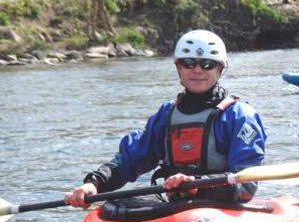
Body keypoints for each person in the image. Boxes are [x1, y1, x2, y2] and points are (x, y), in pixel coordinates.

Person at [65, 30, 267, 209]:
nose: (197, 70)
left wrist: (196, 185)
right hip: (178, 209)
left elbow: (247, 183)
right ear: (178, 68)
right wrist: (94, 183)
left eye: (207, 64)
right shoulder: (167, 115)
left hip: (222, 209)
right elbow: (131, 160)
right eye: (189, 63)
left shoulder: (239, 116)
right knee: (111, 208)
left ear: (219, 69)